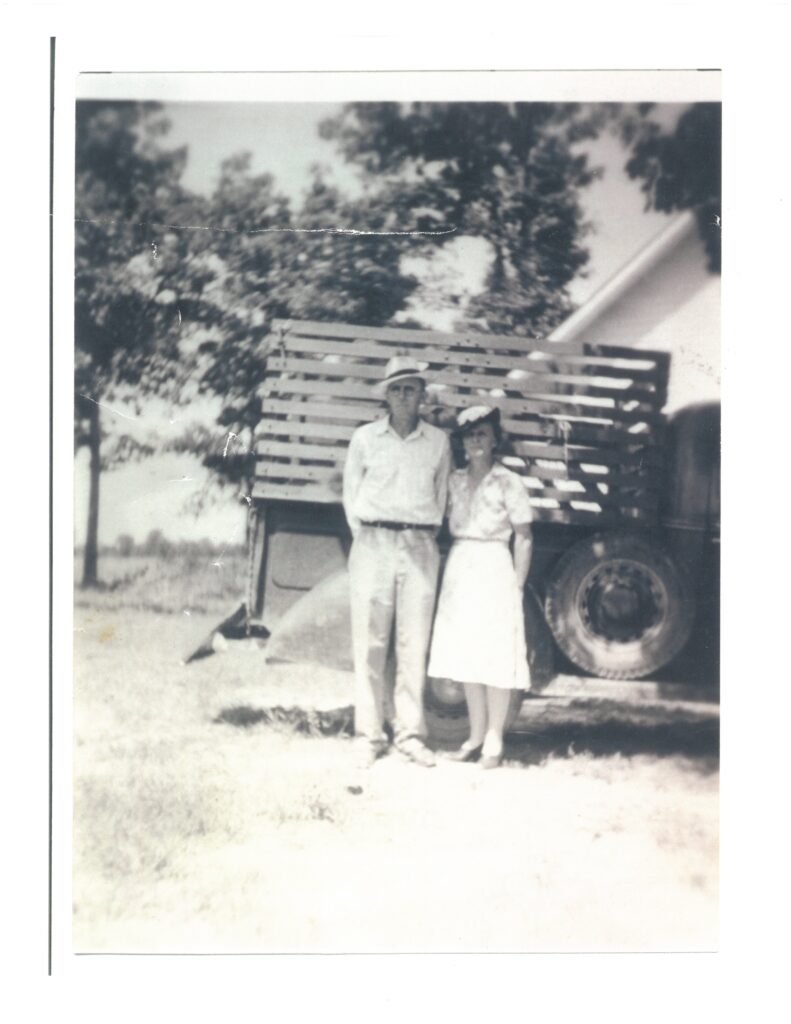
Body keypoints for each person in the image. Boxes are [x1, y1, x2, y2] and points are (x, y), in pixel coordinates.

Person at [343, 356, 452, 768]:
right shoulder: (365, 439)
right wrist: (370, 535)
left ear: (422, 396)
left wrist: (418, 533)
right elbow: (351, 495)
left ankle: (409, 734)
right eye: (396, 389)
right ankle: (368, 736)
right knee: (369, 644)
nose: (404, 396)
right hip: (373, 543)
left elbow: (441, 497)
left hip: (419, 543)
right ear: (386, 395)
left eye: (411, 389)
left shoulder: (438, 442)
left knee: (413, 643)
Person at [427, 405, 533, 769]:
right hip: (461, 565)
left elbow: (524, 536)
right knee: (467, 654)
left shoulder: (508, 482)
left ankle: (494, 739)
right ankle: (474, 735)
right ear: (462, 442)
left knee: (496, 655)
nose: (475, 441)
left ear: (495, 440)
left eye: (482, 434)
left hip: (494, 566)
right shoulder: (454, 480)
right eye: (469, 435)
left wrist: (517, 586)